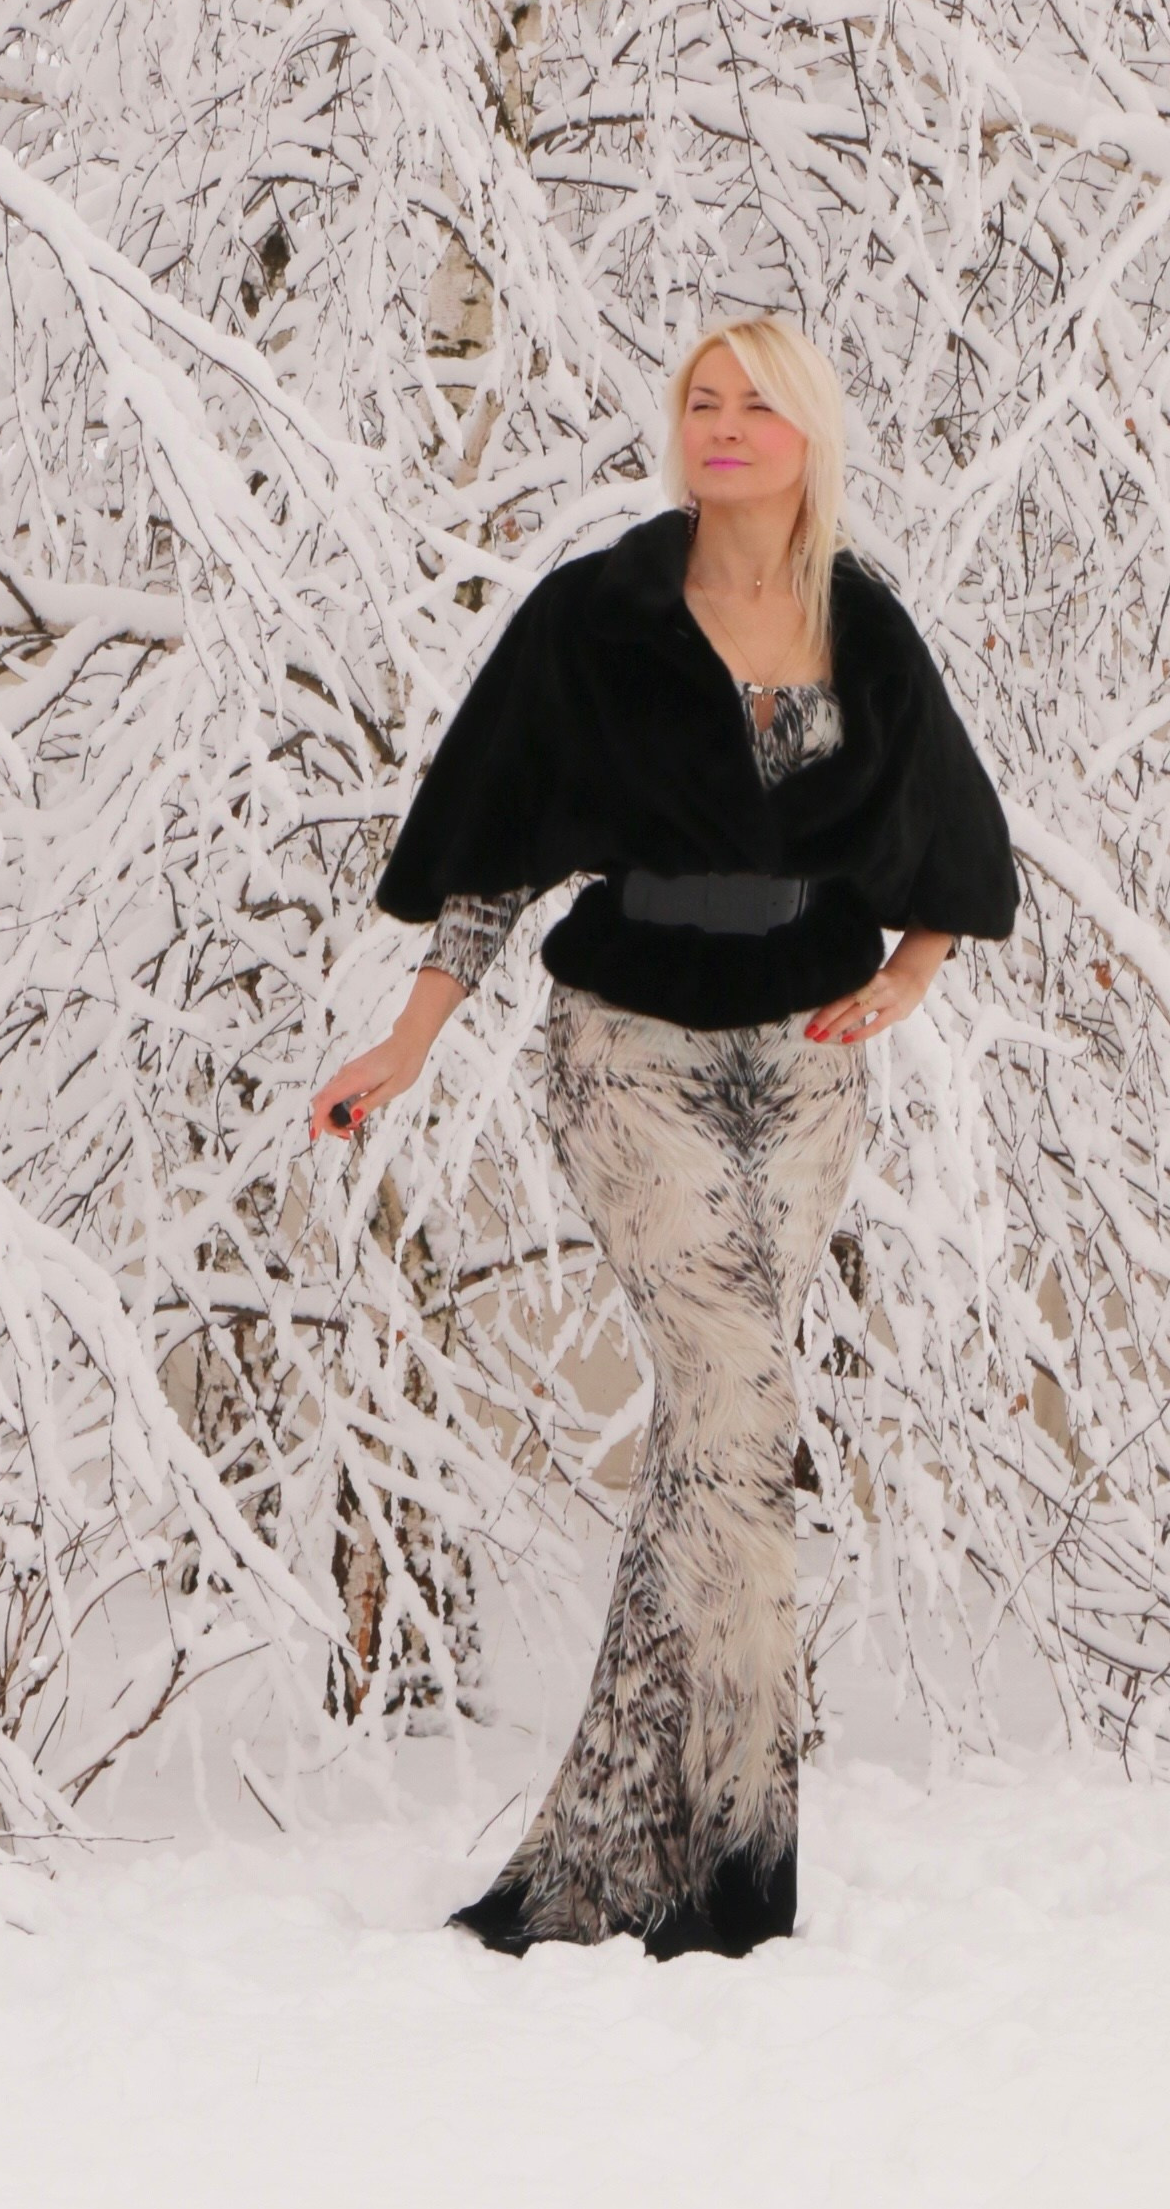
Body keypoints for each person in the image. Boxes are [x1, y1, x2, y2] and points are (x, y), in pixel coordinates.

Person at [310, 316, 1017, 1960]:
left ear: (809, 431)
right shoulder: (602, 617)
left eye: (755, 403)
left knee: (720, 1441)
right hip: (629, 1047)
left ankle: (611, 1857)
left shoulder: (860, 627)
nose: (722, 425)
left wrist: (914, 973)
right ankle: (744, 1882)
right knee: (738, 1401)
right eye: (700, 401)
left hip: (808, 1056)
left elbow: (947, 836)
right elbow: (496, 848)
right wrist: (409, 1039)